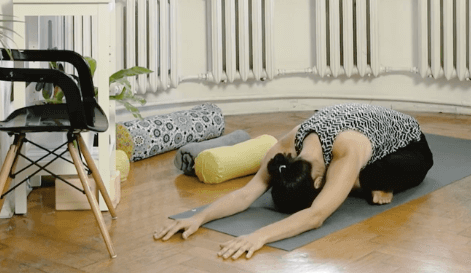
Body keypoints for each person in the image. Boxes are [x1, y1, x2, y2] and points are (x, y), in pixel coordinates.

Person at [154, 103, 434, 260]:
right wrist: (198, 218)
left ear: (318, 182)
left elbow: (316, 215)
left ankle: (379, 184)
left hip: (409, 146)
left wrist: (260, 236)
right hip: (359, 135)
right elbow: (247, 193)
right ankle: (352, 184)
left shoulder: (346, 149)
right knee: (347, 180)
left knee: (369, 176)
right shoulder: (285, 148)